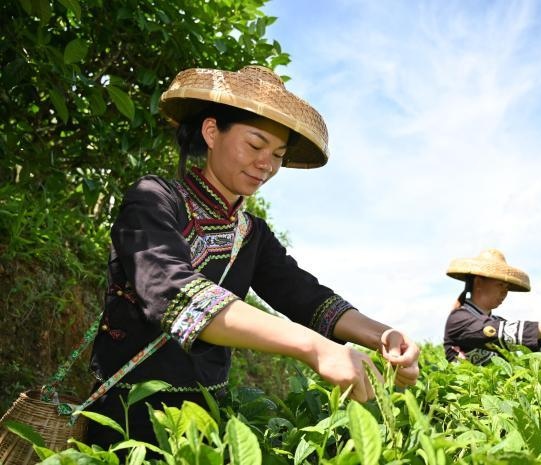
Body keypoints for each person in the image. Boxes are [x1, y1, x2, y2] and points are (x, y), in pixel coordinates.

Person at [85, 66, 420, 448]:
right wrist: (315, 348)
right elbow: (175, 295)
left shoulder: (251, 234)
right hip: (129, 418)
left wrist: (384, 336)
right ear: (212, 132)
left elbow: (306, 297)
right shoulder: (154, 199)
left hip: (208, 422)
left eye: (277, 154)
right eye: (256, 145)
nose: (268, 165)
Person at [443, 248, 541, 365]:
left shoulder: (495, 320)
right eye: (500, 284)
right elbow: (507, 332)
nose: (505, 291)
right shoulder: (458, 319)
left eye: (507, 287)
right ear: (478, 282)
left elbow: (538, 342)